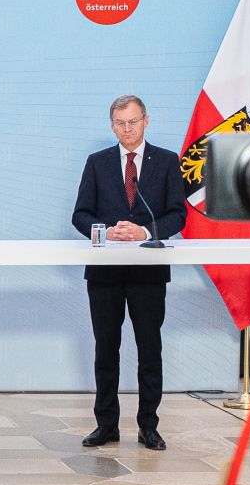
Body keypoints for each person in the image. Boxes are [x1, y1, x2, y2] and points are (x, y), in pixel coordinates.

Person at [71, 94, 186, 451]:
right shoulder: (97, 162)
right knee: (107, 349)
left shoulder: (166, 161)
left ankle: (148, 426)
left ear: (146, 121)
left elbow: (177, 214)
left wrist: (144, 233)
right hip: (104, 273)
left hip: (148, 271)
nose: (127, 129)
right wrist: (107, 231)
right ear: (112, 125)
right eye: (120, 123)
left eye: (133, 122)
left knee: (149, 349)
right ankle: (106, 425)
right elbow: (80, 214)